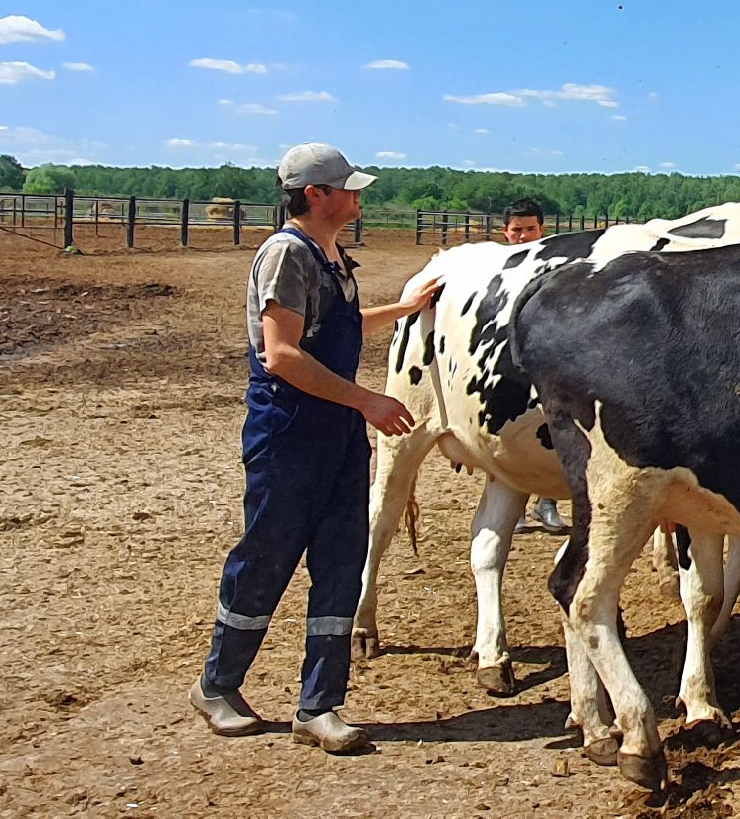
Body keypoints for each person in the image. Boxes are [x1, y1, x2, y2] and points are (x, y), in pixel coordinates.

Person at [190, 143, 444, 753]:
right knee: (268, 557)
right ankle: (218, 686)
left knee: (340, 562)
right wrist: (367, 401)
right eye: (347, 188)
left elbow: (340, 328)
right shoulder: (286, 255)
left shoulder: (331, 256)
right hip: (290, 431)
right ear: (315, 195)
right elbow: (282, 354)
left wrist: (405, 309)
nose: (358, 197)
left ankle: (320, 705)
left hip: (335, 435)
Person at [498, 196, 576, 536]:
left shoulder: (555, 268)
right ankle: (514, 509)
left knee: (549, 426)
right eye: (517, 230)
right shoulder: (497, 268)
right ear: (505, 232)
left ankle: (547, 503)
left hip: (543, 356)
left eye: (531, 229)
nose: (524, 236)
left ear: (542, 230)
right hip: (501, 362)